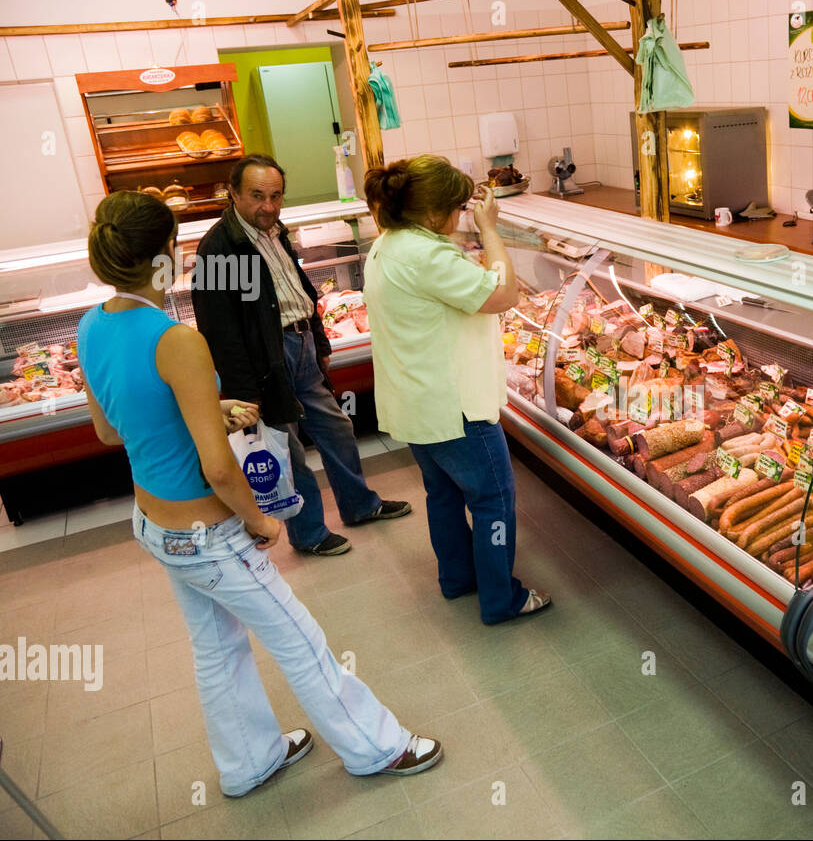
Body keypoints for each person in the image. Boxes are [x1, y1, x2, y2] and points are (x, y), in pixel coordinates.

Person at [78, 191, 442, 797]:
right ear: (166, 254)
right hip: (210, 534)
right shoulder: (175, 341)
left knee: (216, 648)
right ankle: (377, 747)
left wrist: (201, 409)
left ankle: (249, 761)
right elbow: (221, 472)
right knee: (299, 639)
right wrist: (259, 523)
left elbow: (109, 428)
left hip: (153, 525)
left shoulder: (93, 325)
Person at [361, 155, 550, 625]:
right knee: (494, 503)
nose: (460, 216)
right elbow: (505, 295)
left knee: (443, 496)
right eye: (458, 208)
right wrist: (490, 229)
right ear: (431, 213)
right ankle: (501, 599)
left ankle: (458, 578)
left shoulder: (388, 244)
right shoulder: (428, 255)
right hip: (455, 408)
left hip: (416, 402)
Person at [191, 153, 410, 557]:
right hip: (265, 361)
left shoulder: (274, 229)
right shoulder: (221, 249)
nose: (269, 206)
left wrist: (320, 342)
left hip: (301, 345)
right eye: (257, 196)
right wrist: (244, 390)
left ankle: (360, 505)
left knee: (337, 429)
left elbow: (298, 290)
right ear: (233, 193)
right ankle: (308, 533)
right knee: (287, 450)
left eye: (276, 196)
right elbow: (220, 329)